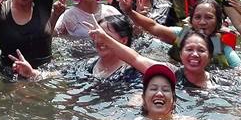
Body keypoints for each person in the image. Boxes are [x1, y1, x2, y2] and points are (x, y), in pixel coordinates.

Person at [118, 0, 241, 68]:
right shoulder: (182, 34)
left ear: (218, 23)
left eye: (209, 17)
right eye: (197, 17)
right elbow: (153, 26)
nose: (202, 22)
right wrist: (129, 12)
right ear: (191, 21)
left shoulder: (225, 50)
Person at [10, 14, 140, 85]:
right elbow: (58, 75)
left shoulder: (132, 73)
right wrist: (31, 73)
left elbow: (140, 96)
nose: (100, 41)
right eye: (97, 36)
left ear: (124, 40)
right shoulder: (87, 65)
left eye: (106, 37)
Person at [86, 19, 215, 91]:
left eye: (201, 50)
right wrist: (104, 38)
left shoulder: (219, 84)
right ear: (180, 54)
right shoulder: (171, 73)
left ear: (210, 57)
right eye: (189, 49)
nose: (194, 54)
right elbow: (135, 58)